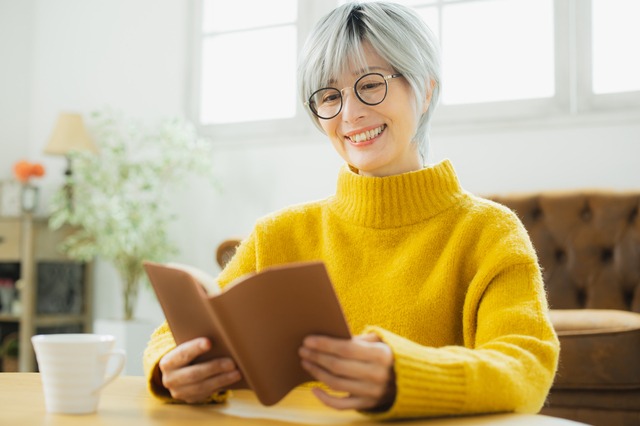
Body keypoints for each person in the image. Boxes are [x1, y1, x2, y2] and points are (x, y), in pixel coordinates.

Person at [143, 1, 559, 419]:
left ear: (426, 88)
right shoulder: (279, 235)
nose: (350, 112)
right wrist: (171, 368)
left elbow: (526, 367)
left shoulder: (488, 232)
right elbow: (169, 337)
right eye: (329, 95)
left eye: (371, 83)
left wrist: (405, 375)